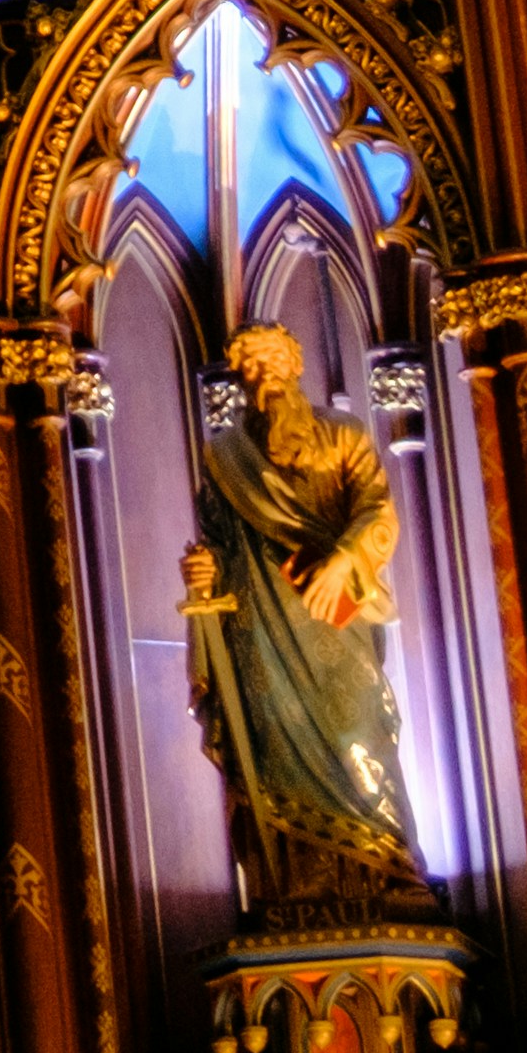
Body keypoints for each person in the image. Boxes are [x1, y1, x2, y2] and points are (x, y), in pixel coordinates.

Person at [179, 322, 423, 920]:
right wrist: (203, 571)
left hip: (336, 622)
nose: (264, 377)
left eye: (272, 363)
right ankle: (287, 885)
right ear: (242, 381)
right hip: (260, 629)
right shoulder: (225, 457)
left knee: (359, 732)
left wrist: (344, 560)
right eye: (251, 369)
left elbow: (375, 508)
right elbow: (216, 536)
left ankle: (388, 866)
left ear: (295, 364)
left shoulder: (344, 435)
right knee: (270, 747)